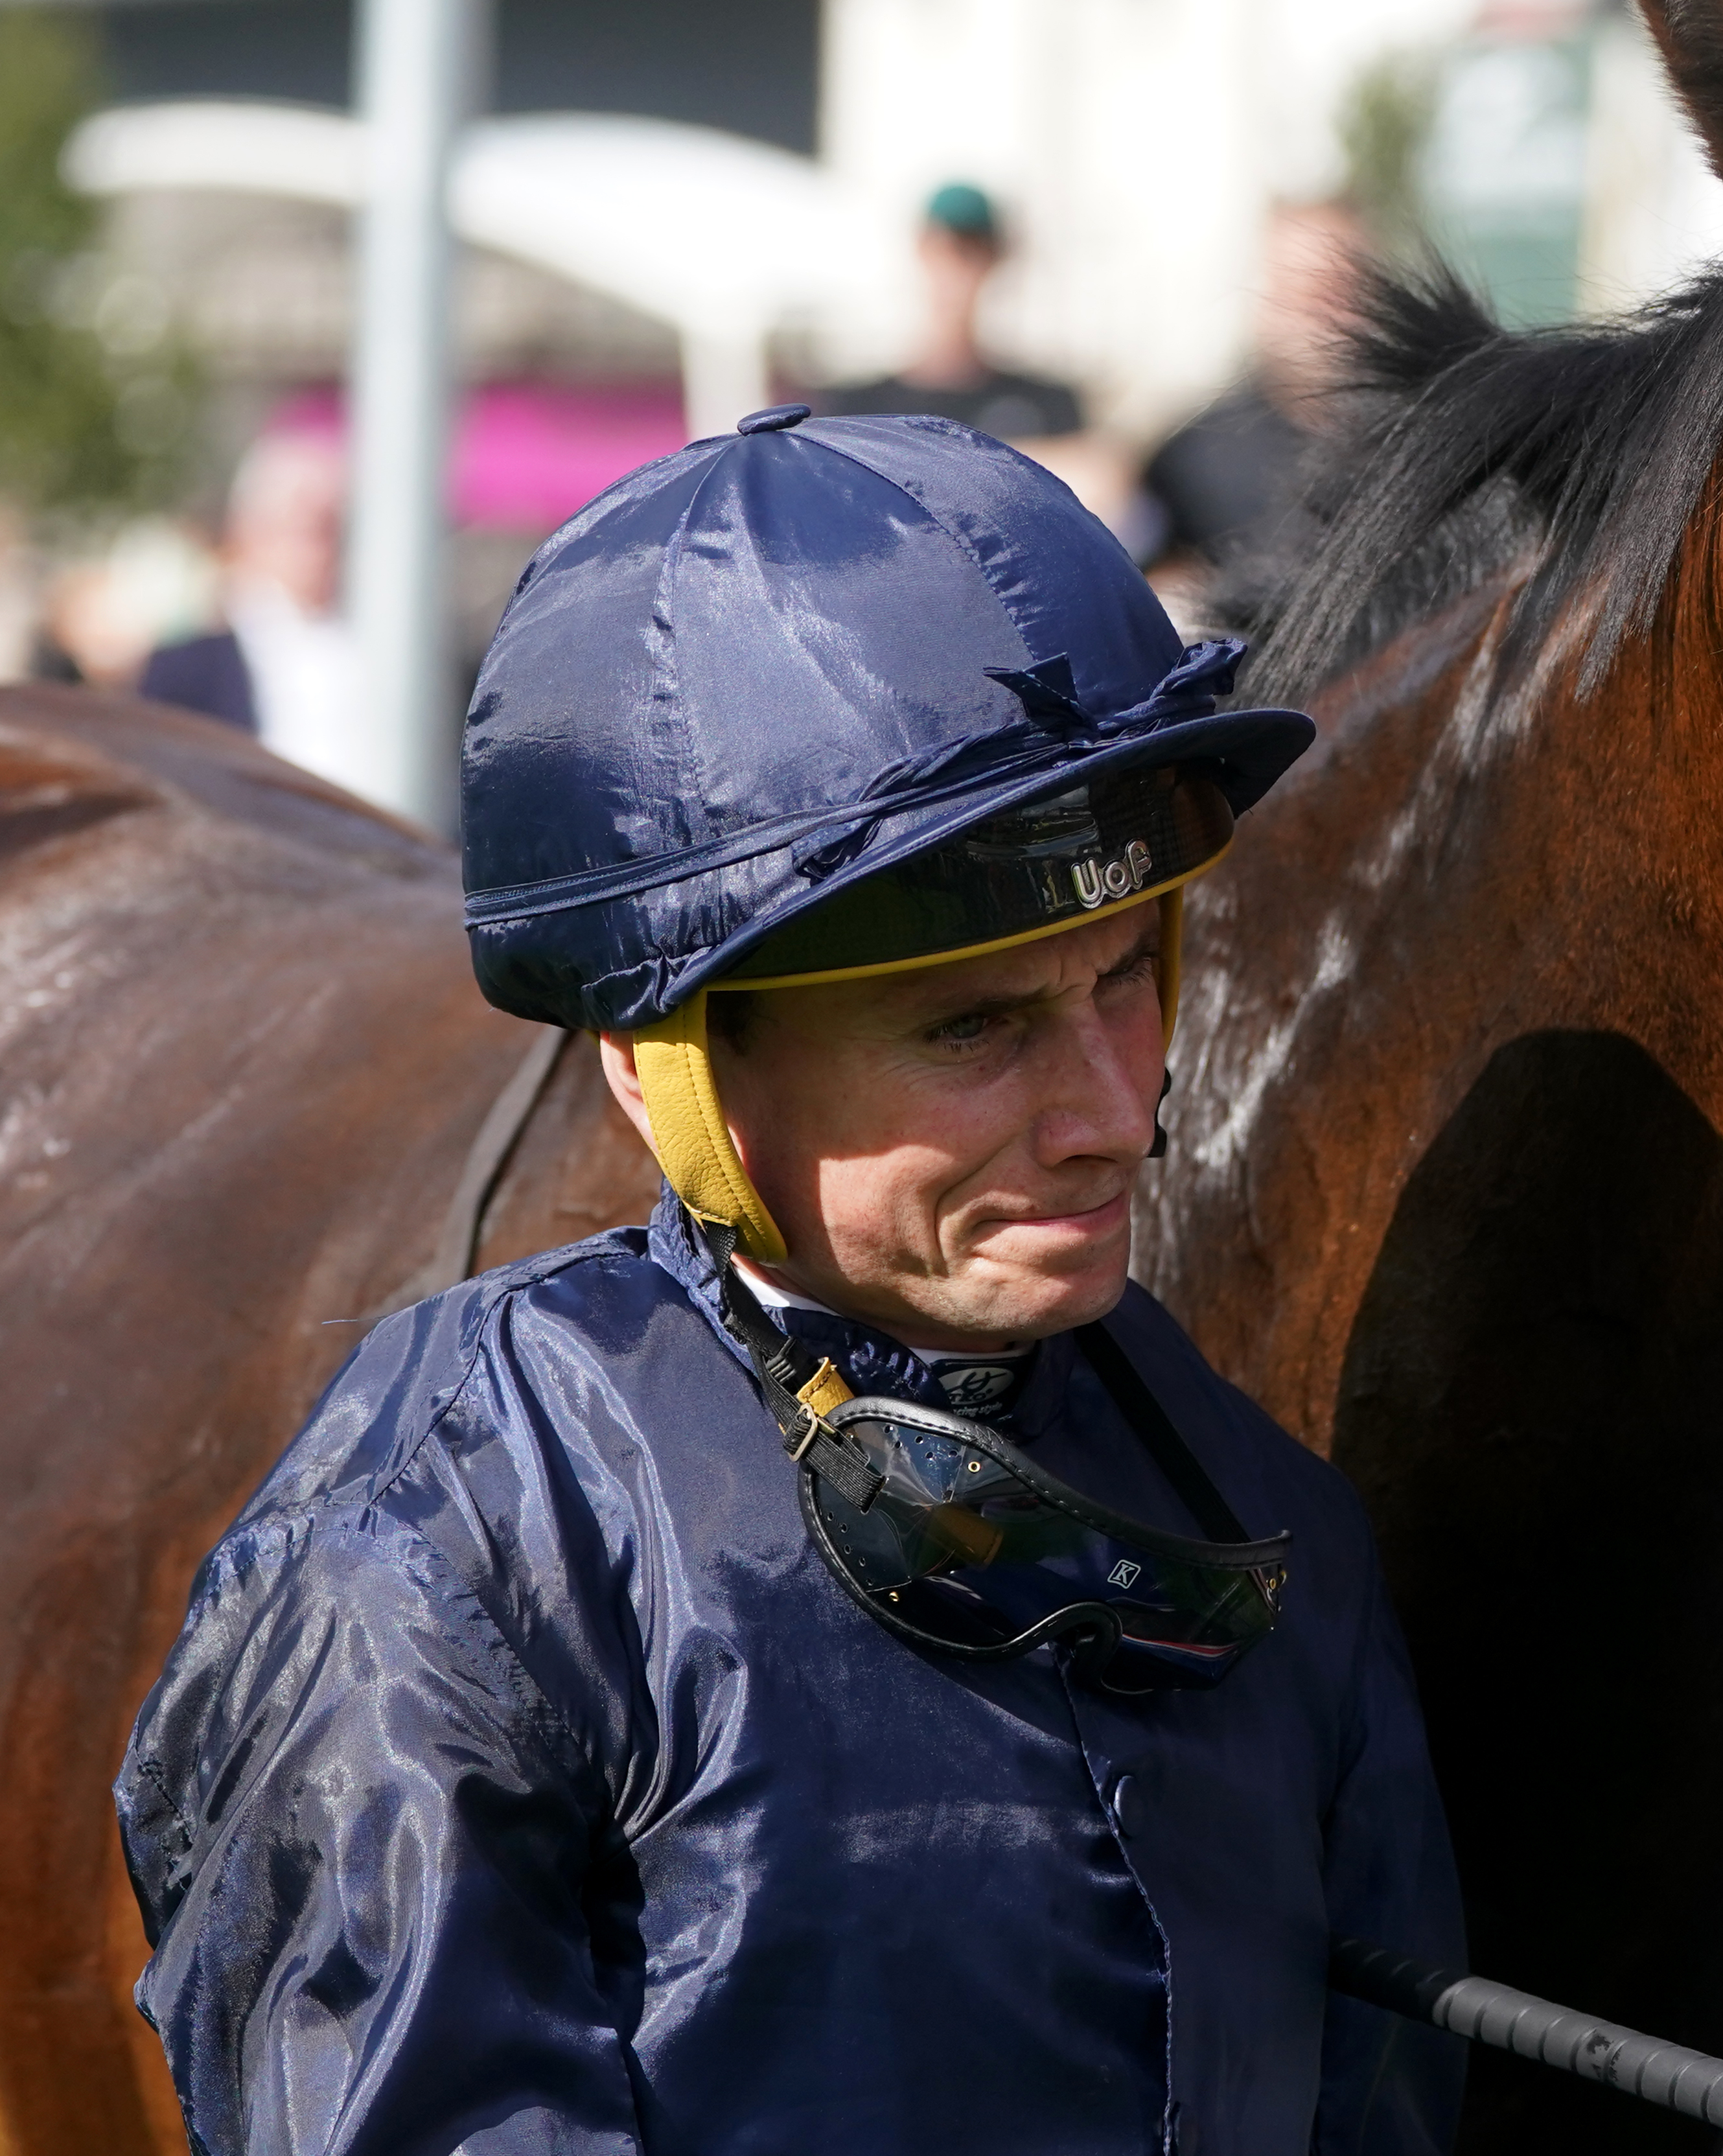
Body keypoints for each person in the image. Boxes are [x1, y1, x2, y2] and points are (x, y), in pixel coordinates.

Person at [117, 404, 1464, 2153]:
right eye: (973, 1028)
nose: (1116, 1114)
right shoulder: (445, 1554)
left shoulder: (1269, 1524)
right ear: (665, 1067)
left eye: (1127, 977)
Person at [1137, 200, 1370, 627]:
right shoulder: (1194, 455)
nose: (1312, 315)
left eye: (1334, 292)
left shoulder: (1420, 447)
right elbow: (1145, 583)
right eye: (1293, 290)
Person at [135, 428, 385, 798]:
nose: (316, 549)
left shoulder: (400, 651)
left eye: (329, 528)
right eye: (298, 529)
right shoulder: (187, 670)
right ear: (248, 531)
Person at [815, 183, 1091, 448]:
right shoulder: (853, 409)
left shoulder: (1047, 404)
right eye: (941, 249)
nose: (954, 270)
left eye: (969, 252)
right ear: (921, 251)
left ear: (994, 260)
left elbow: (1092, 478)